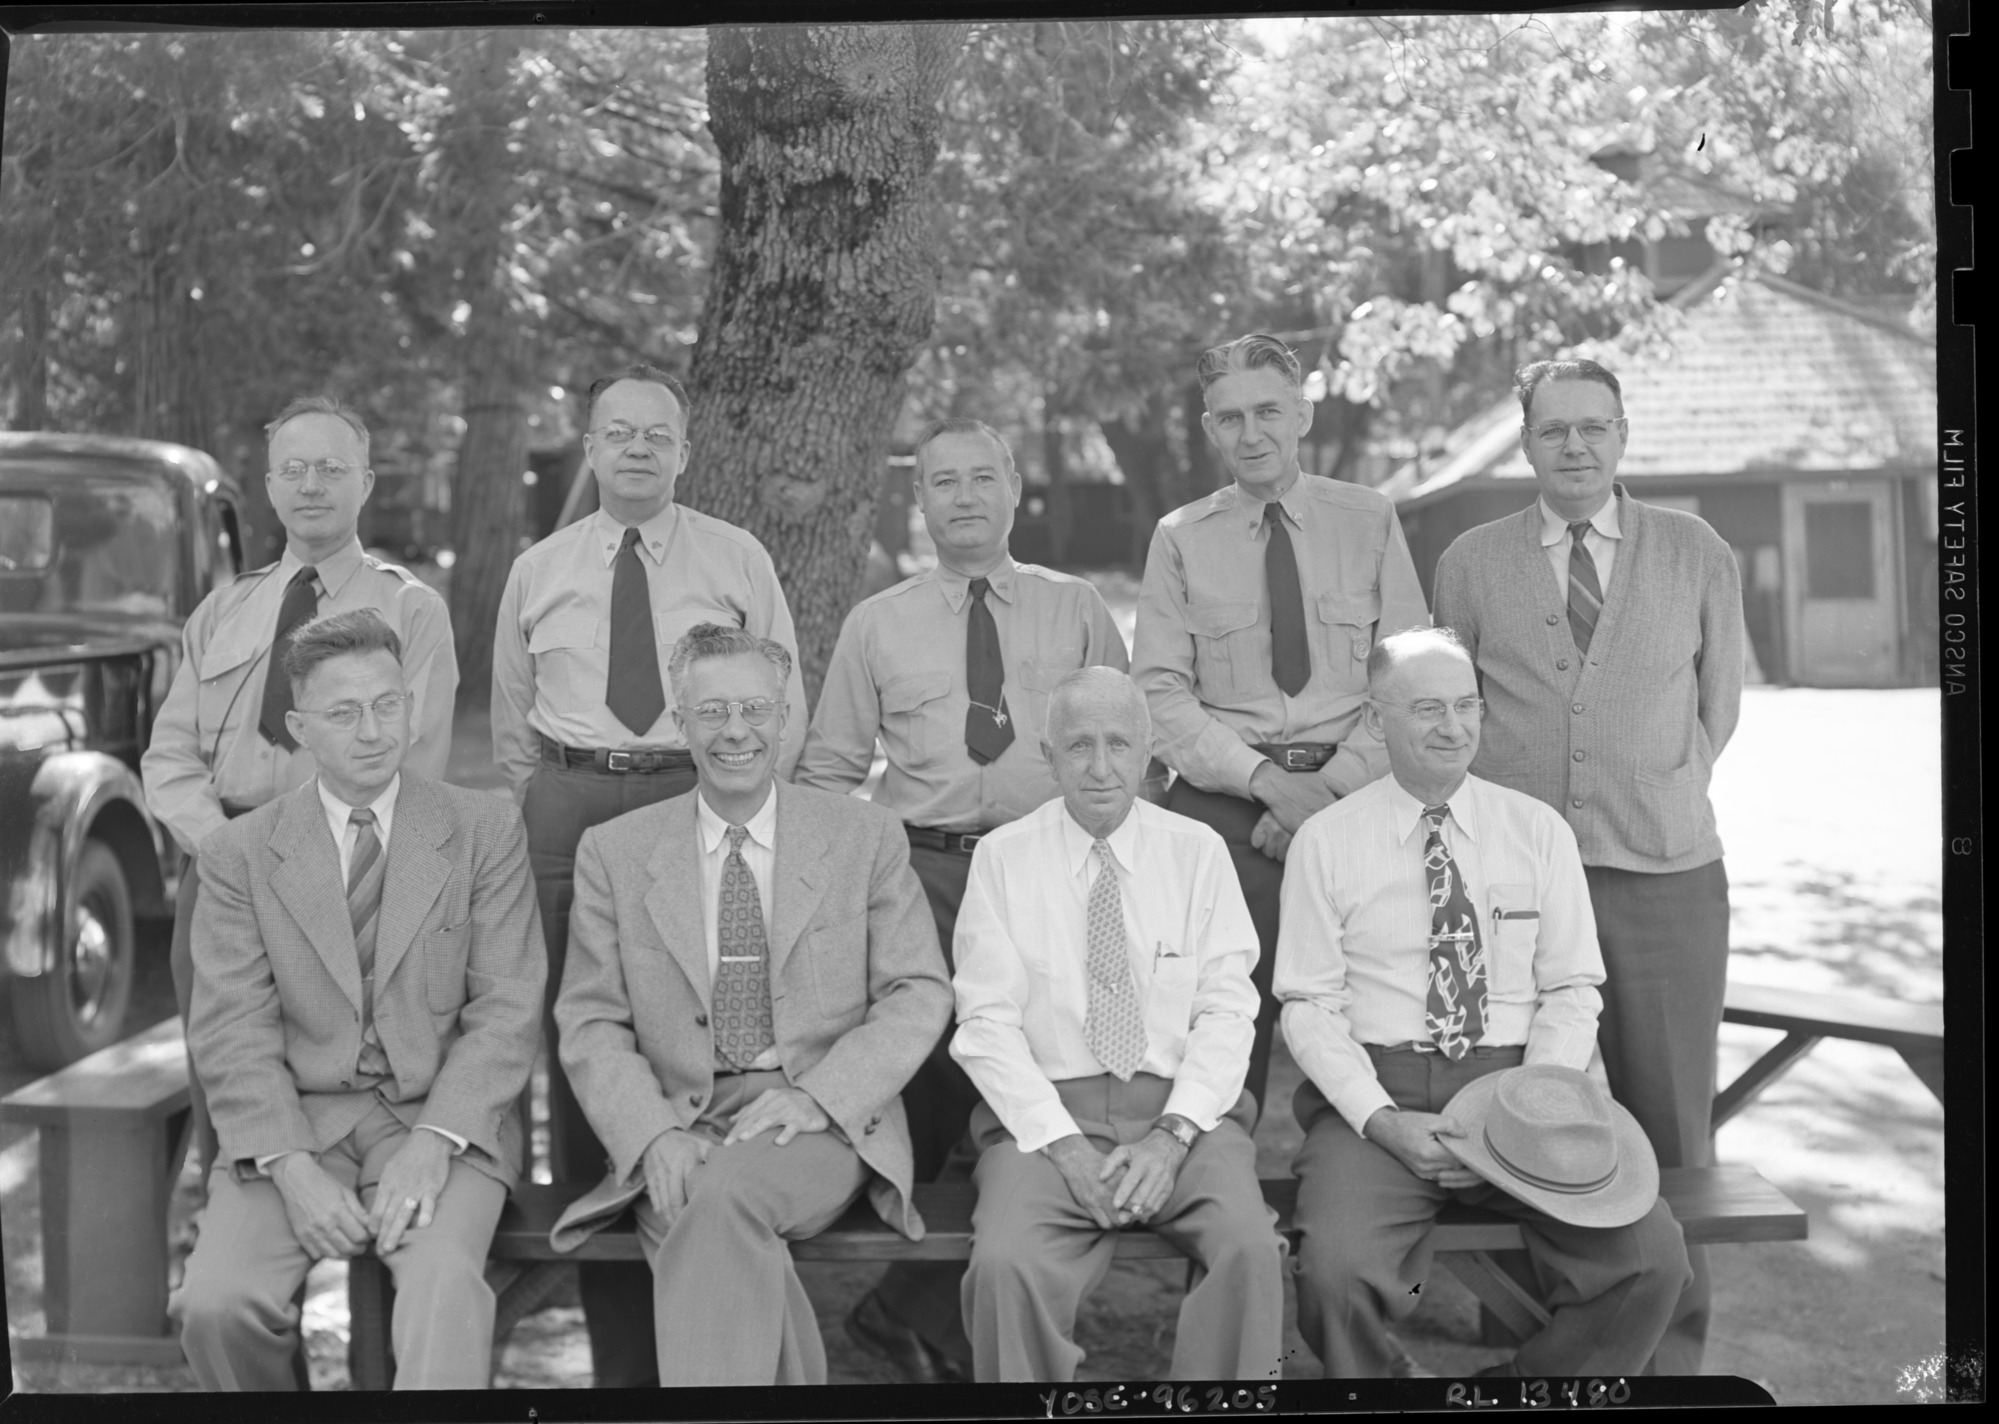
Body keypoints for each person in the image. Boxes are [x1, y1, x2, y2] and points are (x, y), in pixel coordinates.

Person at [489, 363, 809, 1387]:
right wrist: (555, 797)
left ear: (684, 450)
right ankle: (620, 1349)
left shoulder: (735, 556)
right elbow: (509, 720)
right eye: (615, 432)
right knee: (580, 1045)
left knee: (693, 1028)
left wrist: (735, 802)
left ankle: (708, 1296)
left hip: (694, 794)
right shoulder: (538, 566)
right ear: (586, 445)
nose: (635, 448)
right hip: (570, 801)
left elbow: (780, 698)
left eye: (655, 434)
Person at [795, 416, 1128, 1382]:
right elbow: (827, 768)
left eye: (983, 477)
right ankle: (931, 1305)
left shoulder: (1077, 611)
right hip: (921, 873)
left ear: (1015, 488)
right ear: (921, 500)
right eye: (944, 482)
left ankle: (920, 1312)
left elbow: (1121, 745)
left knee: (1041, 1070)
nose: (965, 497)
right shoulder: (878, 622)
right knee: (936, 1076)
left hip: (1046, 869)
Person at [1431, 357, 1744, 1373]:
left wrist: (1650, 793)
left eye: (1594, 427)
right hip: (1511, 886)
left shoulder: (1694, 550)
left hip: (1663, 876)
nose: (1576, 445)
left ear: (1621, 435)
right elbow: (1454, 708)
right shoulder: (1471, 560)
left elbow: (1718, 707)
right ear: (1525, 441)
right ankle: (1522, 1333)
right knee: (1517, 1109)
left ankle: (1676, 1359)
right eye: (1554, 429)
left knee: (1673, 1121)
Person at [1274, 626, 1690, 1378]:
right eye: (1428, 709)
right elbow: (1305, 1003)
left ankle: (1517, 1397)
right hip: (1381, 1098)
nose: (1454, 727)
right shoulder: (1326, 841)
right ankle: (1392, 1393)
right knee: (1334, 1274)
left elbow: (1571, 987)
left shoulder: (1535, 831)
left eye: (1466, 706)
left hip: (1522, 1088)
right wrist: (1384, 1122)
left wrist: (1522, 1109)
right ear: (1376, 720)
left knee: (1648, 1262)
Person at [548, 623, 951, 1386]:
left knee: (711, 1200)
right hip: (679, 1114)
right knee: (714, 1212)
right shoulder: (616, 850)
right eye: (712, 712)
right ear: (679, 721)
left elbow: (916, 992)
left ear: (786, 715)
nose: (736, 731)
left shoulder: (864, 836)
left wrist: (819, 1099)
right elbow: (591, 1019)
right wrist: (651, 1134)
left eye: (755, 710)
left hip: (821, 1119)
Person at [170, 609, 543, 1391]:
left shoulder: (483, 828)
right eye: (343, 713)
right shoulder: (240, 853)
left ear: (411, 709)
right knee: (217, 1304)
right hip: (298, 1119)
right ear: (300, 729)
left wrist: (437, 1139)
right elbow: (232, 1029)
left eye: (387, 704)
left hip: (440, 1116)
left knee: (441, 1289)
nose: (372, 730)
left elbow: (507, 1010)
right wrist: (293, 1168)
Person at [144, 395, 457, 1188]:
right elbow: (171, 755)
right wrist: (227, 850)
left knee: (355, 1081)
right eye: (294, 469)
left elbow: (412, 759)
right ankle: (233, 1249)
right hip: (221, 866)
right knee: (227, 1071)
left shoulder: (409, 609)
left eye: (331, 468)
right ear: (270, 484)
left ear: (367, 482)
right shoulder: (224, 610)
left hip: (358, 881)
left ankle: (371, 1275)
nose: (311, 484)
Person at [951, 667, 1284, 1382]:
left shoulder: (1196, 852)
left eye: (1118, 744)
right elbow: (984, 1023)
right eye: (1077, 747)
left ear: (1148, 752)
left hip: (1180, 1116)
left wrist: (1171, 1136)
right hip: (1045, 1124)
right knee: (1005, 1265)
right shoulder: (1002, 858)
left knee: (1249, 1249)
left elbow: (1228, 1010)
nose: (1100, 768)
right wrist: (1066, 1149)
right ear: (1046, 756)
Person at [1132, 332, 1428, 1119]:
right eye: (1229, 419)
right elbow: (1158, 694)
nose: (1251, 433)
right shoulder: (1179, 537)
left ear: (1301, 414)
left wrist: (1323, 791)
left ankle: (1363, 1185)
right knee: (1222, 1018)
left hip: (1356, 800)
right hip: (1226, 814)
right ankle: (1225, 1182)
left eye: (1268, 411)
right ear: (1208, 429)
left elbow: (1407, 676)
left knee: (1374, 1012)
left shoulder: (1367, 520)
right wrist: (1266, 785)